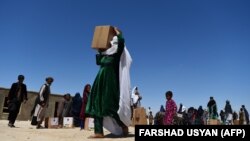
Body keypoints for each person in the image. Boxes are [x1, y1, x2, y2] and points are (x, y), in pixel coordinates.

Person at [86, 27, 132, 138]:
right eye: (112, 43)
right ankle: (98, 132)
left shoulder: (116, 56)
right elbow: (98, 61)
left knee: (110, 106)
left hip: (110, 83)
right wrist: (99, 47)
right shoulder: (105, 54)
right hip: (99, 82)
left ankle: (123, 126)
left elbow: (120, 44)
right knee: (96, 105)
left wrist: (119, 34)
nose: (113, 44)